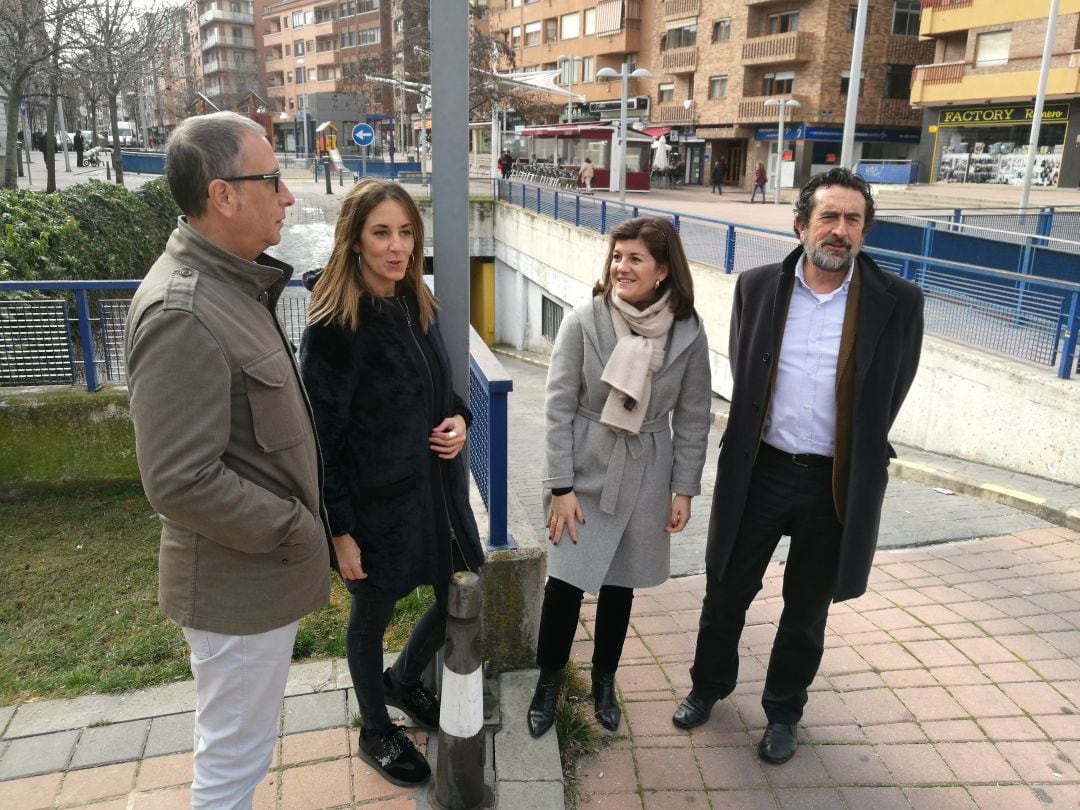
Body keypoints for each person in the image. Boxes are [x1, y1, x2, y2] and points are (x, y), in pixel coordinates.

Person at [672, 168, 925, 767]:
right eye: (828, 217)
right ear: (801, 224)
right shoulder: (757, 287)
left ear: (865, 229)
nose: (839, 231)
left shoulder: (899, 302)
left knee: (807, 609)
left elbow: (893, 389)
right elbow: (745, 371)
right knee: (726, 590)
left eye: (852, 220)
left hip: (835, 484)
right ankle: (708, 687)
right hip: (760, 472)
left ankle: (784, 712)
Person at [124, 111, 331, 808]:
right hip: (237, 583)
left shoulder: (230, 283)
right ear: (223, 195)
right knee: (231, 769)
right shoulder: (184, 310)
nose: (289, 195)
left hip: (255, 576)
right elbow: (179, 481)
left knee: (239, 752)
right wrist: (295, 528)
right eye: (273, 179)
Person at [299, 179, 485, 787]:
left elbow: (440, 388)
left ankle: (403, 680)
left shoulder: (417, 303)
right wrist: (341, 530)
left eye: (406, 232)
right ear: (354, 240)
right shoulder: (333, 326)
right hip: (378, 507)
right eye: (381, 232)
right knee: (371, 614)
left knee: (462, 586)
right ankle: (375, 727)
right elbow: (323, 441)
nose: (397, 246)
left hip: (438, 494)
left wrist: (460, 417)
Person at [528, 217, 712, 738]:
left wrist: (684, 490)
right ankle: (548, 682)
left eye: (634, 258)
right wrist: (559, 488)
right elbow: (557, 407)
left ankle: (604, 681)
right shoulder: (584, 319)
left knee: (620, 585)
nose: (621, 267)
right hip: (585, 465)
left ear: (662, 270)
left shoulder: (688, 331)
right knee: (564, 582)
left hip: (648, 469)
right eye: (616, 256)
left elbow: (695, 416)